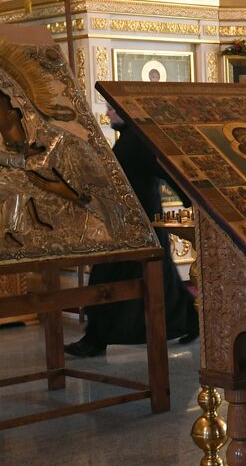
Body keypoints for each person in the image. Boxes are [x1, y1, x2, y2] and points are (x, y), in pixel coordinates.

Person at [65, 107, 198, 358]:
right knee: (161, 278)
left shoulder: (137, 140)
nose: (108, 113)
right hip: (128, 225)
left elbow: (168, 170)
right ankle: (192, 319)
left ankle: (96, 339)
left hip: (140, 225)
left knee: (107, 278)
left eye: (113, 110)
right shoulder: (129, 138)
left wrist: (190, 198)